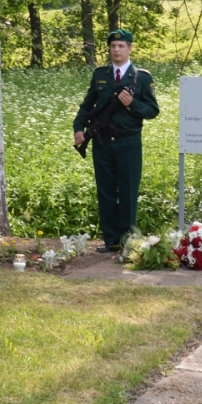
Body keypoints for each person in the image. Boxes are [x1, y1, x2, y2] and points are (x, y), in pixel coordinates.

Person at [73, 28, 159, 253]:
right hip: (102, 144)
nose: (117, 49)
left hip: (128, 143)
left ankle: (128, 240)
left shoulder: (142, 77)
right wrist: (78, 128)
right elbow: (87, 105)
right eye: (113, 46)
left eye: (122, 46)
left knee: (129, 191)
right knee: (106, 190)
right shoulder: (100, 74)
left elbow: (152, 110)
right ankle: (111, 240)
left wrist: (132, 103)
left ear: (130, 48)